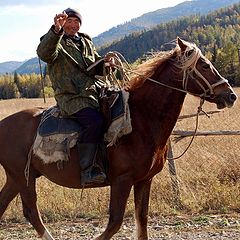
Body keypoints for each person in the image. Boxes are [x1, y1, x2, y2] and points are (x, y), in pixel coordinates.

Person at [37, 8, 114, 186]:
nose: (73, 25)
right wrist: (56, 30)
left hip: (95, 91)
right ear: (62, 23)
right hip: (71, 97)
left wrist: (106, 64)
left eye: (76, 21)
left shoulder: (86, 41)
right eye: (68, 21)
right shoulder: (55, 41)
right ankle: (87, 170)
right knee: (94, 122)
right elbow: (45, 54)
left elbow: (94, 67)